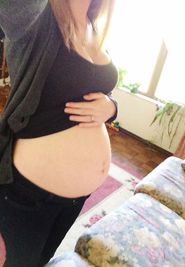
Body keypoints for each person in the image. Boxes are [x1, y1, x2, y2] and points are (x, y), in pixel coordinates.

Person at [0, 0, 118, 266]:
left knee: (41, 260)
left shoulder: (90, 21)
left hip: (73, 200)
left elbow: (91, 87)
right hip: (28, 195)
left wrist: (111, 107)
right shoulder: (34, 15)